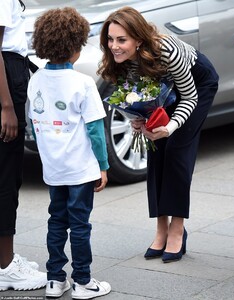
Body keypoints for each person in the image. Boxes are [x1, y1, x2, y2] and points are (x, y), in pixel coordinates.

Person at [97, 6, 219, 263]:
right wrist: (139, 121)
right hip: (162, 88)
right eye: (110, 39)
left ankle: (177, 228)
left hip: (195, 86)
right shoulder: (118, 59)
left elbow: (189, 96)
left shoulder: (167, 51)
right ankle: (160, 227)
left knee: (177, 150)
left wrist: (171, 126)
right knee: (156, 151)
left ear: (138, 40)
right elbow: (135, 99)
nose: (114, 46)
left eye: (121, 40)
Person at [27, 7, 111, 299]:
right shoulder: (83, 83)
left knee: (56, 220)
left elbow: (34, 123)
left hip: (53, 168)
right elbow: (96, 132)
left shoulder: (35, 80)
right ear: (76, 45)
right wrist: (102, 166)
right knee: (79, 224)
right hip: (80, 169)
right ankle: (83, 282)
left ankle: (54, 279)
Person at [0, 0, 47, 291]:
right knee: (6, 177)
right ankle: (5, 266)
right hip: (6, 79)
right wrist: (6, 106)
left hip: (9, 73)